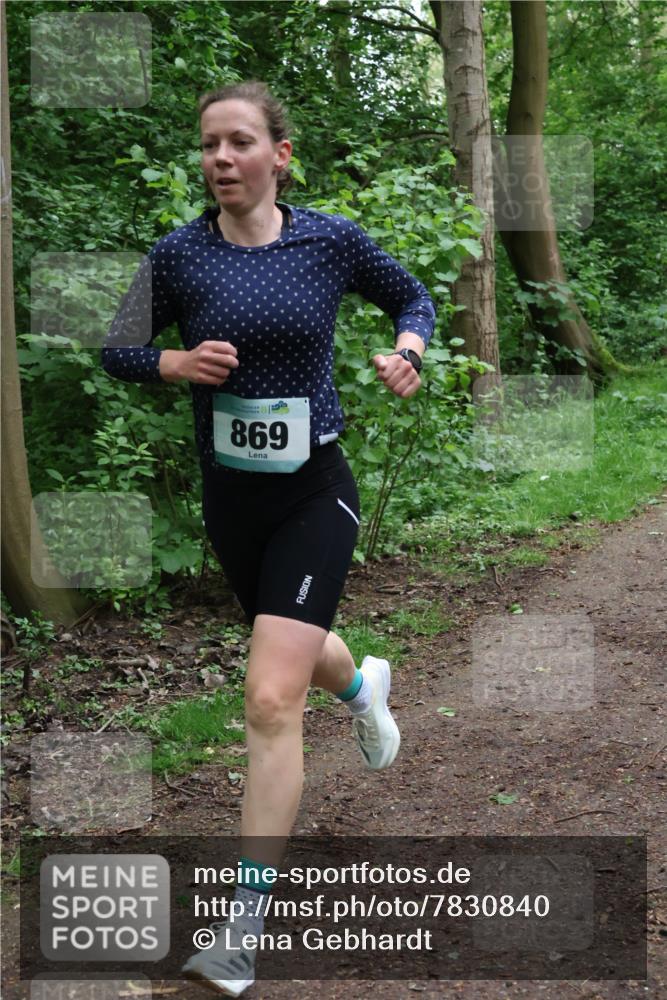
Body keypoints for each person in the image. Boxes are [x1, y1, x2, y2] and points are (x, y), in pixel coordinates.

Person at [102, 79, 436, 996]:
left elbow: (410, 296)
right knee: (294, 658)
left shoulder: (326, 240)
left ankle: (240, 931)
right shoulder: (177, 255)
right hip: (230, 500)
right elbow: (115, 345)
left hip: (313, 491)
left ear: (278, 155)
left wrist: (406, 352)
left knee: (266, 697)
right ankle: (365, 685)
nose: (220, 159)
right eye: (209, 144)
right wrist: (170, 362)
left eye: (240, 142)